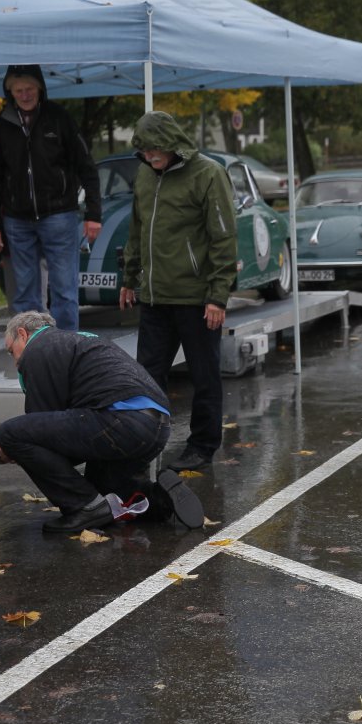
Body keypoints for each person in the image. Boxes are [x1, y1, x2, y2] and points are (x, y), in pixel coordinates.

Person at [0, 311, 204, 534]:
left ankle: (85, 507)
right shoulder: (82, 339)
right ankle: (155, 499)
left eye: (11, 351)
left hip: (119, 420)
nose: (15, 362)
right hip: (156, 424)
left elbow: (39, 432)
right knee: (104, 493)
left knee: (10, 433)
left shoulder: (38, 348)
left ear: (23, 334)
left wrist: (12, 450)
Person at [117, 111, 238, 472]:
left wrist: (217, 296)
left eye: (155, 149)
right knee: (145, 377)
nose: (149, 156)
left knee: (204, 376)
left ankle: (203, 445)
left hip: (196, 298)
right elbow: (137, 229)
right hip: (155, 298)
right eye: (144, 150)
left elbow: (223, 237)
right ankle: (144, 442)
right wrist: (129, 278)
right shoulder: (144, 174)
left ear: (173, 143)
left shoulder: (208, 174)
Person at [0, 65, 101, 331]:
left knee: (65, 290)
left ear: (40, 89)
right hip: (17, 220)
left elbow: (87, 166)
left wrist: (94, 214)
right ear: (10, 93)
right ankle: (33, 348)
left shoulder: (59, 118)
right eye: (19, 91)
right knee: (25, 295)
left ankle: (66, 346)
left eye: (30, 89)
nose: (25, 95)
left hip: (59, 214)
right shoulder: (3, 123)